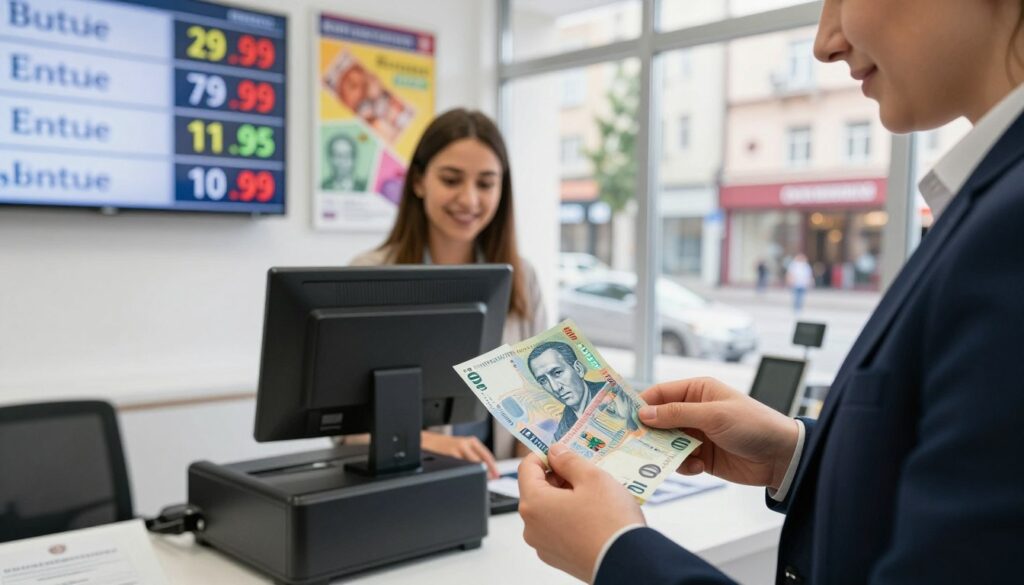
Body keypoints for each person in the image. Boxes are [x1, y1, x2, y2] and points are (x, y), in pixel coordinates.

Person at [517, 0, 1024, 583]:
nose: (825, 41)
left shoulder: (1009, 231)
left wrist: (615, 552)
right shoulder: (988, 202)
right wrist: (795, 456)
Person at [346, 108, 547, 479]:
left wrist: (532, 467)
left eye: (486, 184)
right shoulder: (371, 274)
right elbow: (347, 428)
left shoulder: (523, 277)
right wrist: (431, 443)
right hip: (409, 485)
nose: (469, 200)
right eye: (452, 180)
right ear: (420, 181)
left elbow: (534, 409)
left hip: (502, 485)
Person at [526, 341, 607, 441]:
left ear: (578, 369)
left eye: (557, 372)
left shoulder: (614, 394)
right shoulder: (561, 434)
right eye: (543, 380)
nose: (555, 388)